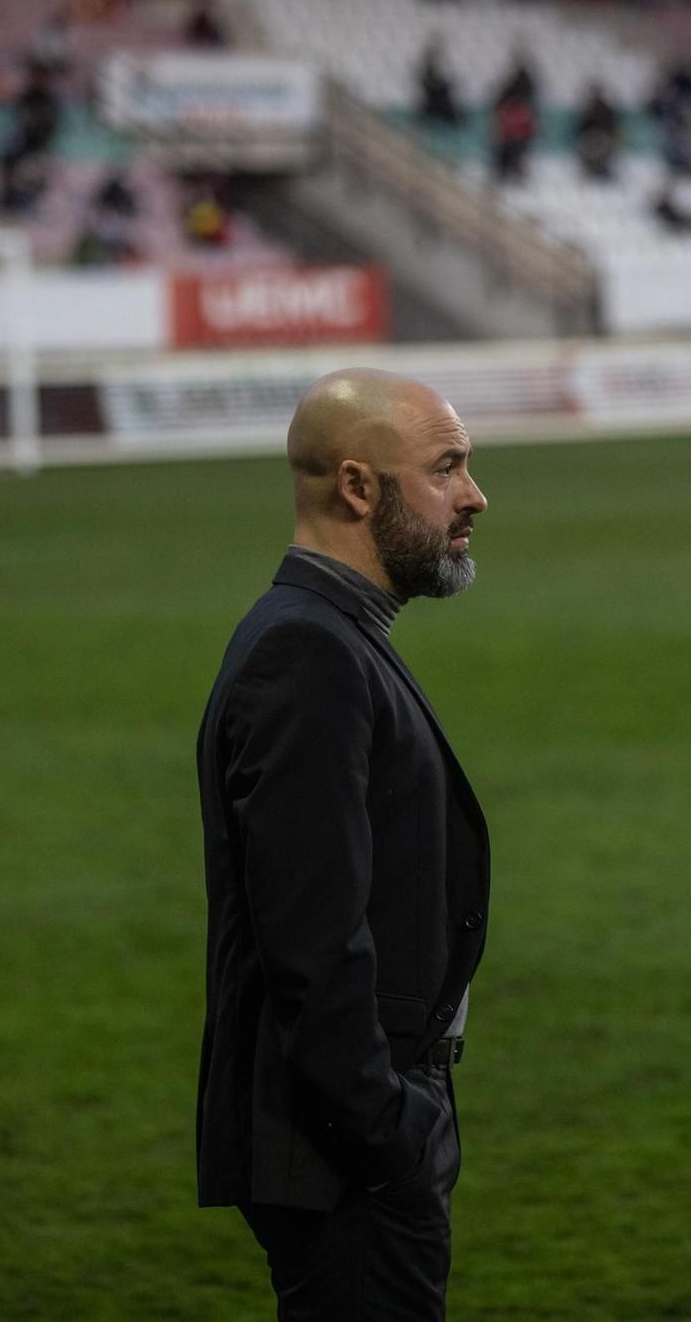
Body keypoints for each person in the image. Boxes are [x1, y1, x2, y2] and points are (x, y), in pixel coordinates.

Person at [196, 367, 491, 1321]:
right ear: (359, 488)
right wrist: (387, 1130)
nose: (475, 496)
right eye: (447, 468)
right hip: (338, 1152)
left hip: (345, 1138)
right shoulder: (308, 651)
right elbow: (312, 942)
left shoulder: (327, 633)